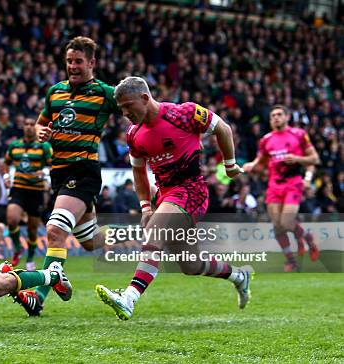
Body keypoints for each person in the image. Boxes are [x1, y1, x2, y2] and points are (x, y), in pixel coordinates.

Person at [95, 76, 253, 320]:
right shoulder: (133, 134)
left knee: (154, 233)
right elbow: (138, 171)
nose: (125, 113)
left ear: (145, 98)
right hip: (166, 196)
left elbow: (223, 128)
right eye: (121, 108)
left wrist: (230, 164)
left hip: (192, 191)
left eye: (128, 106)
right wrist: (146, 206)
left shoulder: (184, 113)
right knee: (191, 265)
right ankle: (239, 276)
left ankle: (129, 298)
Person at [14, 36, 120, 316]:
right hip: (59, 173)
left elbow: (134, 110)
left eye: (78, 62)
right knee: (89, 242)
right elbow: (40, 124)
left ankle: (40, 294)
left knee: (55, 230)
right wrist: (41, 133)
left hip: (83, 170)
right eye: (69, 61)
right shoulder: (55, 91)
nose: (73, 66)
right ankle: (120, 235)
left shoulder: (105, 93)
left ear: (92, 63)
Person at [243, 105, 320, 272]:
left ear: (287, 117)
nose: (276, 118)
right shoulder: (266, 139)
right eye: (273, 116)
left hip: (293, 183)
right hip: (274, 185)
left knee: (286, 222)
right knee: (277, 226)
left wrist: (297, 159)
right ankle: (291, 261)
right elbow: (261, 162)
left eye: (279, 115)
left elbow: (314, 159)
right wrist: (252, 166)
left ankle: (309, 239)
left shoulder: (299, 134)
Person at [4, 117, 52, 269]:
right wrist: (6, 176)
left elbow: (53, 165)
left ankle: (30, 257)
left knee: (32, 229)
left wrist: (43, 172)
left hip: (36, 191)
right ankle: (18, 247)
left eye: (32, 124)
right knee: (12, 219)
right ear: (23, 127)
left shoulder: (43, 146)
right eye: (27, 124)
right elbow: (6, 162)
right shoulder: (14, 146)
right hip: (18, 188)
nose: (29, 127)